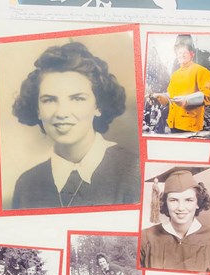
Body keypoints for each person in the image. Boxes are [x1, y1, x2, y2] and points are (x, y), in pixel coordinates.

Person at [11, 41, 140, 210]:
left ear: (98, 106)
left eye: (77, 99)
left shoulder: (134, 173)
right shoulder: (27, 184)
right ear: (37, 110)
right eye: (49, 100)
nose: (62, 112)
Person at [140, 168, 210, 272]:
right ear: (165, 202)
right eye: (173, 200)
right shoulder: (145, 238)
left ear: (198, 203)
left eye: (189, 200)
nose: (181, 207)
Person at [151, 36, 210, 133]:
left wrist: (187, 100)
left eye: (185, 52)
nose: (181, 55)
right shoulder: (175, 75)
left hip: (190, 125)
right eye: (179, 53)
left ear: (192, 54)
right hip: (173, 123)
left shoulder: (201, 71)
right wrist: (160, 97)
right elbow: (171, 96)